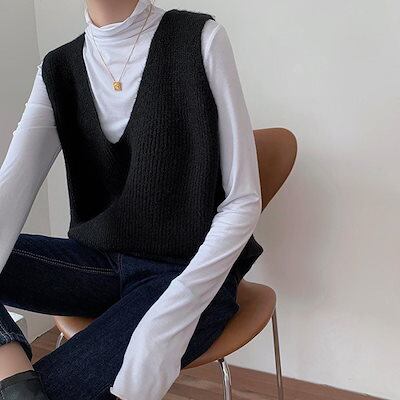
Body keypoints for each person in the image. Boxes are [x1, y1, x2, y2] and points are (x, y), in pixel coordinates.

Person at [0, 0, 264, 399]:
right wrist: (9, 365)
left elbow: (243, 201)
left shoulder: (198, 39)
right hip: (98, 266)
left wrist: (161, 327)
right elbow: (8, 196)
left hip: (187, 272)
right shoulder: (59, 68)